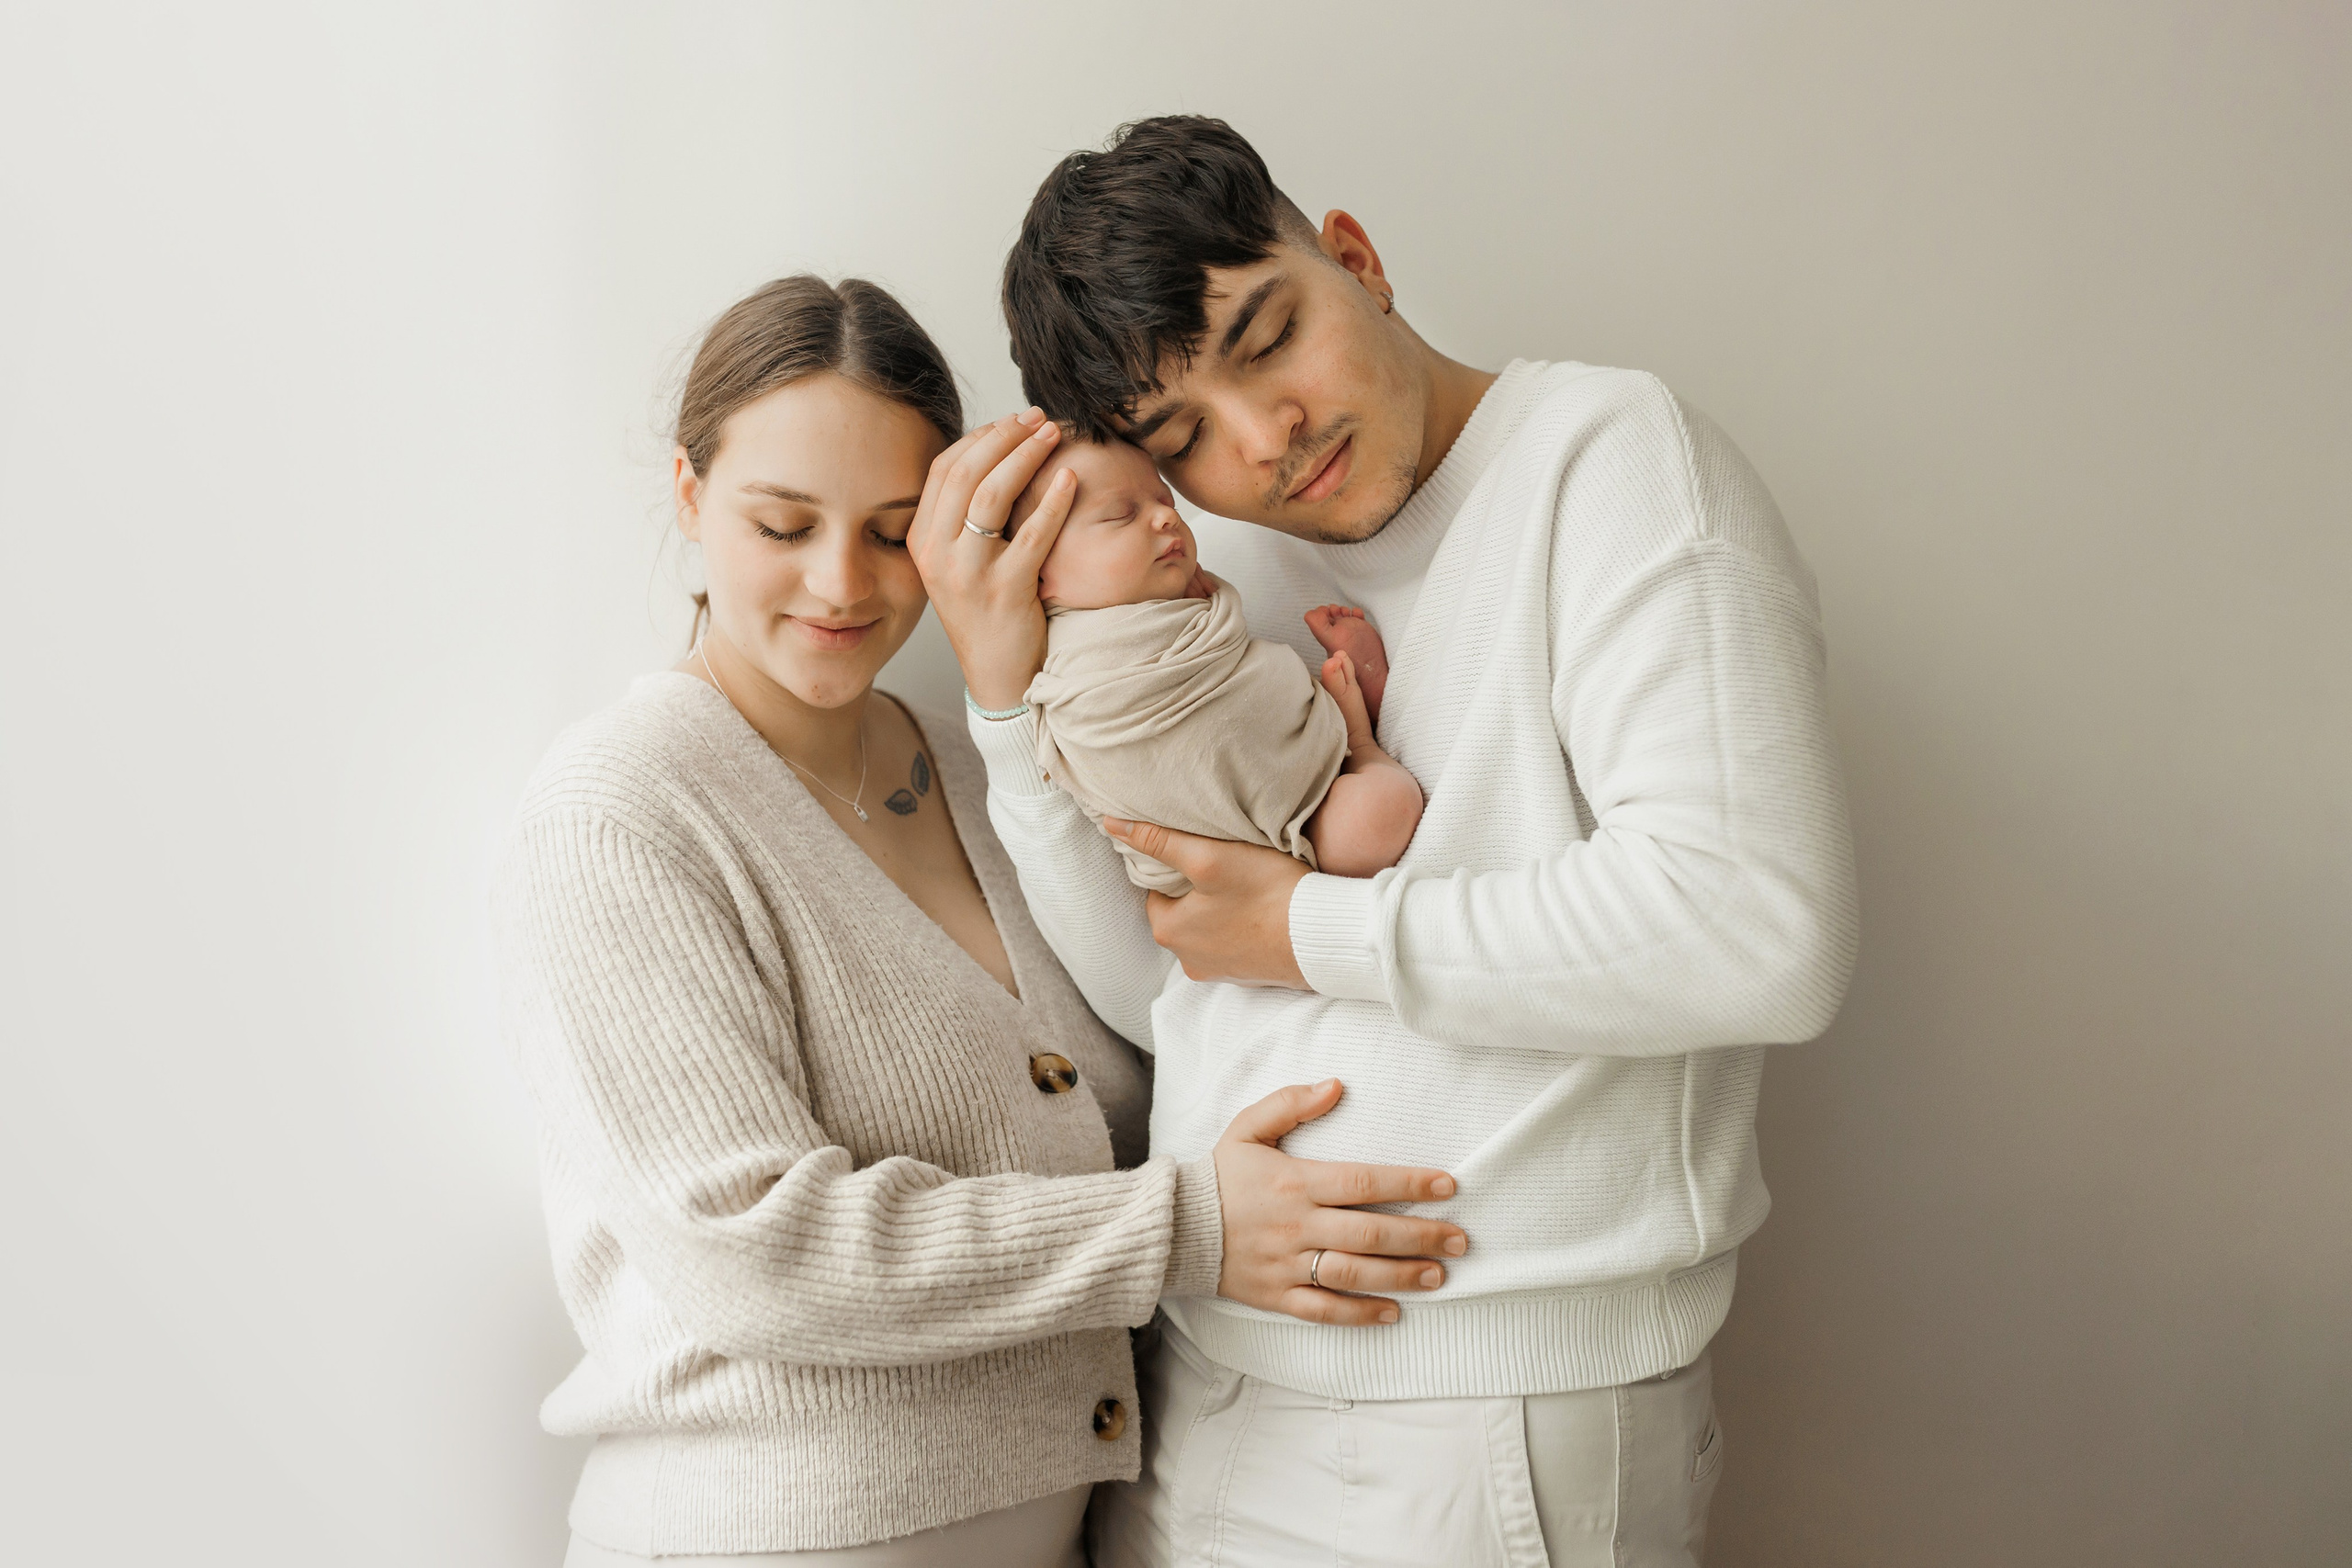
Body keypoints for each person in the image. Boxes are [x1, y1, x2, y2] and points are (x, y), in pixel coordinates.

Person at [914, 118, 1860, 1565]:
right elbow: (1164, 985)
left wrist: (1313, 925)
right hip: (1200, 1379)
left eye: (1272, 338)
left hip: (1488, 1416)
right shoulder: (1196, 566)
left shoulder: (1607, 462)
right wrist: (1003, 701)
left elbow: (1755, 928)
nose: (1262, 440)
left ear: (1354, 258)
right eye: (1181, 441)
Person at [495, 274, 1467, 1566]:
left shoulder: (980, 763)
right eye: (782, 523)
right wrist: (1191, 1227)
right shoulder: (622, 806)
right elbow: (756, 1253)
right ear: (689, 495)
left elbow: (1144, 1047)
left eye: (894, 530)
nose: (839, 582)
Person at [1008, 429, 1424, 892]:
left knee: (1376, 817)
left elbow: (1231, 660)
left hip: (1306, 804)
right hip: (1208, 865)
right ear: (1038, 570)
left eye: (1164, 501)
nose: (1166, 517)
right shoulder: (1054, 659)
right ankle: (1353, 734)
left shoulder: (1190, 596)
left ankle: (1358, 744)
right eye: (1123, 514)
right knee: (1372, 822)